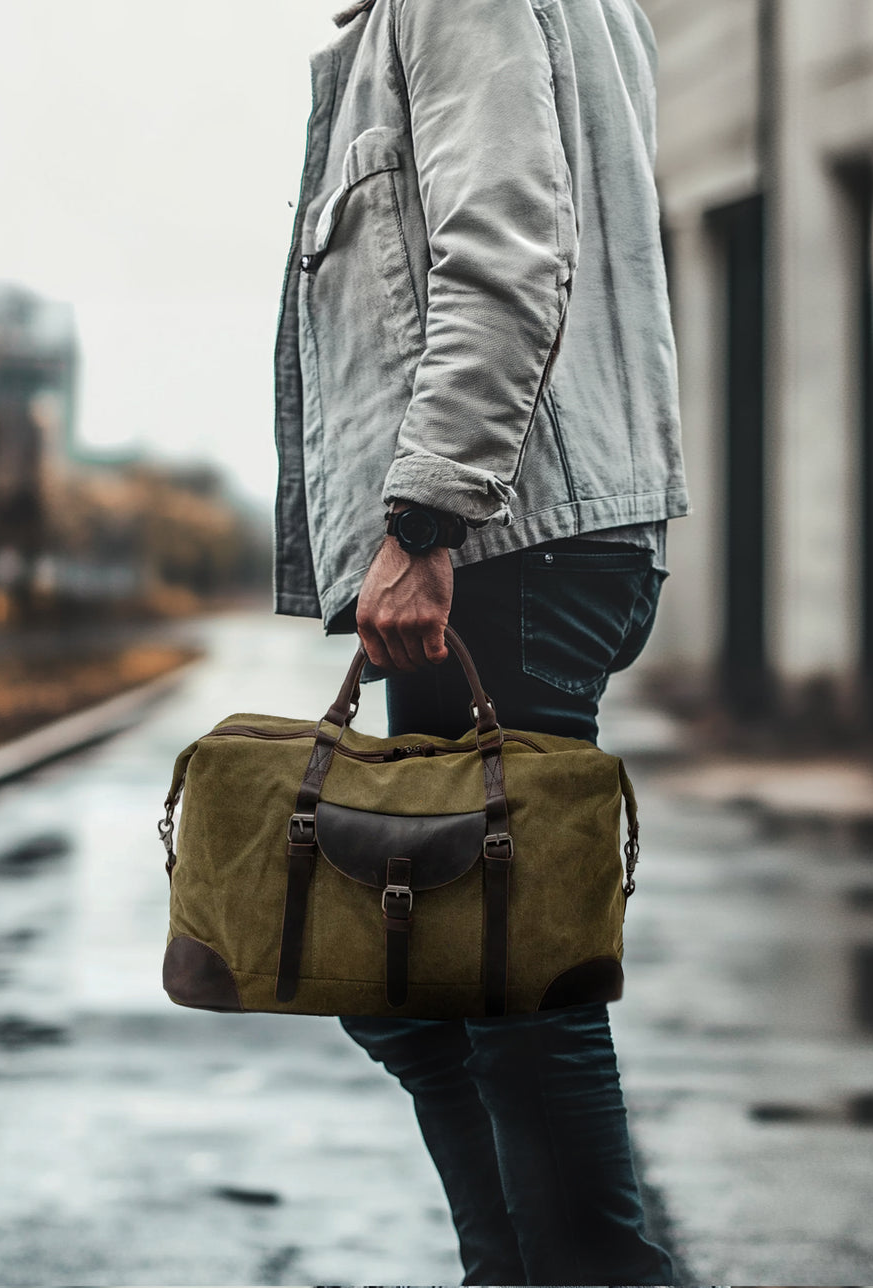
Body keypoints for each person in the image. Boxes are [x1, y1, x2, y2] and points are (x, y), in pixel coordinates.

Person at [272, 0, 691, 1281]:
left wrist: (425, 515)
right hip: (536, 531)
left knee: (506, 983)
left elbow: (504, 246)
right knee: (427, 976)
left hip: (508, 541)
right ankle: (516, 1266)